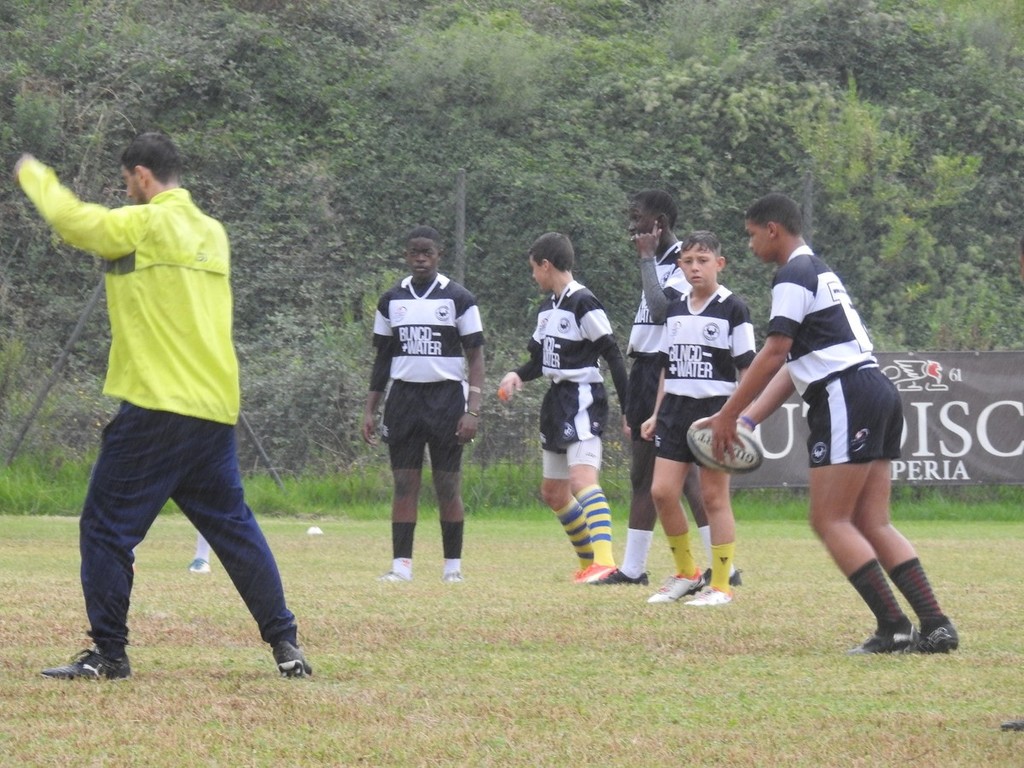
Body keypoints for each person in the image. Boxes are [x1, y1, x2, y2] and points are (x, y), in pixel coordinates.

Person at [15, 132, 311, 678]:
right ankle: (285, 644)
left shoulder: (143, 224)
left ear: (142, 176)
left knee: (105, 529)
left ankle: (109, 655)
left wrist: (31, 172)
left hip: (156, 406)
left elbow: (73, 221)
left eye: (127, 182)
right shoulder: (213, 232)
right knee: (234, 530)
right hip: (214, 408)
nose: (126, 191)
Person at [703, 192, 957, 653]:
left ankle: (894, 627)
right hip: (873, 387)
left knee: (829, 519)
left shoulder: (792, 274)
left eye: (752, 235)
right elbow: (794, 366)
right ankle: (936, 625)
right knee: (872, 521)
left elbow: (775, 352)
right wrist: (748, 420)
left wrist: (726, 415)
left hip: (845, 394)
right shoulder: (818, 271)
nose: (750, 245)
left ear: (773, 230)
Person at [593, 190, 740, 588]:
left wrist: (646, 259)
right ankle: (718, 568)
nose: (631, 224)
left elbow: (662, 310)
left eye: (637, 216)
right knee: (671, 477)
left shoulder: (680, 262)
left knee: (652, 474)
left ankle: (637, 569)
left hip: (670, 371)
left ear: (658, 222)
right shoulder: (662, 262)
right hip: (649, 371)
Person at [498, 232, 628, 584]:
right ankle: (588, 564)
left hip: (583, 397)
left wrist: (629, 407)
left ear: (546, 265)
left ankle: (605, 562)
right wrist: (517, 375)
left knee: (582, 480)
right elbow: (540, 361)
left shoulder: (584, 302)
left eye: (533, 269)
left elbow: (613, 354)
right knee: (554, 493)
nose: (533, 276)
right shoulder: (547, 309)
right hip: (556, 401)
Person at [361, 226, 484, 584]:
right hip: (403, 400)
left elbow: (476, 357)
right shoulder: (391, 300)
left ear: (438, 254)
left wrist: (473, 409)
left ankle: (452, 569)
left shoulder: (459, 298)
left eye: (426, 252)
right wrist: (370, 409)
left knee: (447, 485)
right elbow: (382, 360)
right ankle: (401, 567)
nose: (420, 258)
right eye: (414, 252)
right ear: (406, 255)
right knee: (404, 483)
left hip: (446, 400)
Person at [640, 231, 755, 605]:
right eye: (688, 261)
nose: (695, 268)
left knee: (713, 497)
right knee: (661, 492)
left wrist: (737, 417)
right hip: (674, 411)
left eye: (703, 261)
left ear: (719, 264)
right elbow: (666, 366)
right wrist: (656, 413)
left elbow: (748, 370)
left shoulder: (733, 309)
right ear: (679, 266)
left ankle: (720, 585)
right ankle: (686, 573)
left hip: (715, 412)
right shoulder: (674, 309)